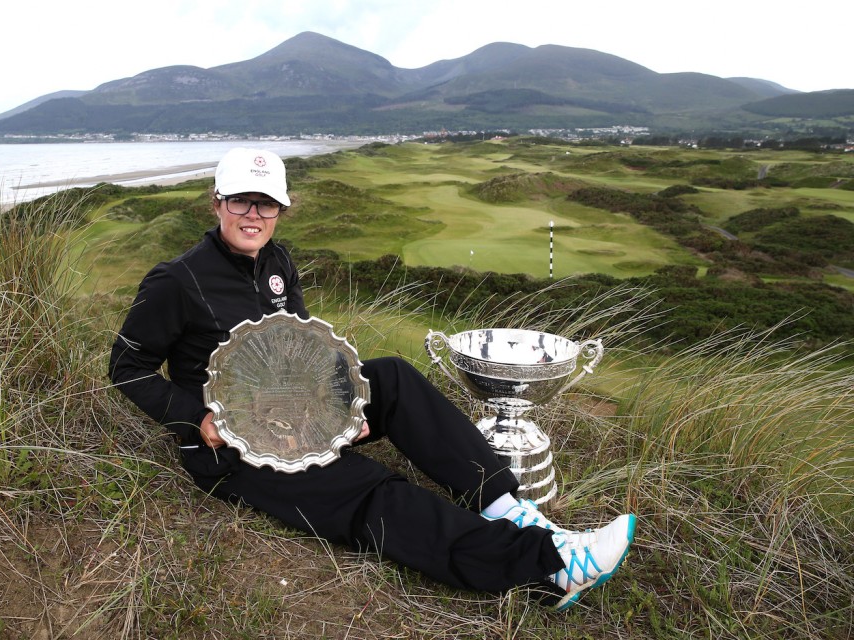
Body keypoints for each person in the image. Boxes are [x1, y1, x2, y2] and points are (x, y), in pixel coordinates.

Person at [109, 147, 636, 611]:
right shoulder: (176, 280)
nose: (253, 214)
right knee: (372, 489)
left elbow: (304, 352)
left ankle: (510, 510)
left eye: (265, 203)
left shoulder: (277, 262)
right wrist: (198, 419)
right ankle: (547, 569)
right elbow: (126, 368)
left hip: (294, 413)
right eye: (240, 201)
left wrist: (343, 409)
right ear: (217, 202)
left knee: (394, 378)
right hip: (233, 448)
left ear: (280, 209)